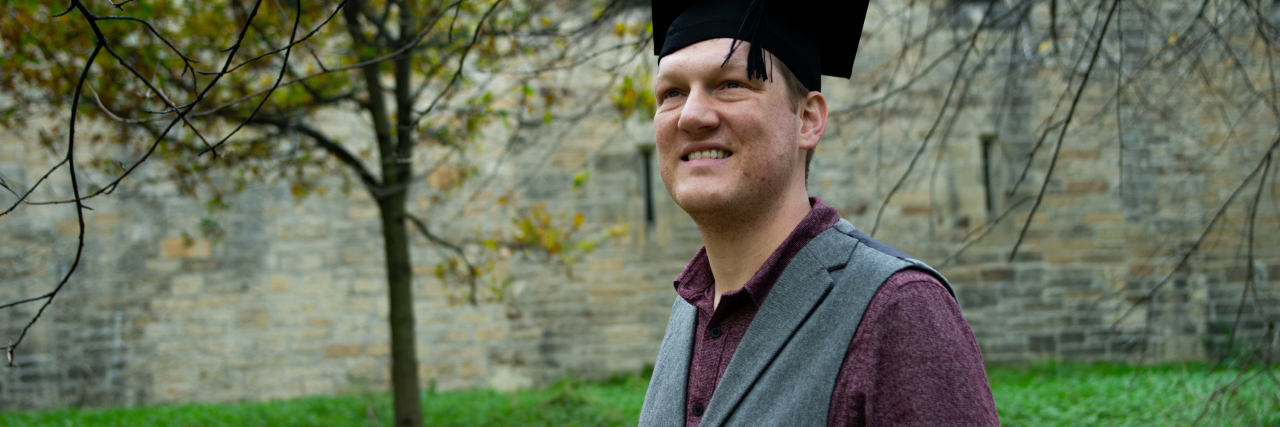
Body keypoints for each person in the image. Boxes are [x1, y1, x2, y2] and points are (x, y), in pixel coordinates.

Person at [637, 0, 1001, 425]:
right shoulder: (690, 309)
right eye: (672, 93)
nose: (692, 115)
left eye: (730, 84)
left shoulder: (898, 310)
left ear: (808, 120)